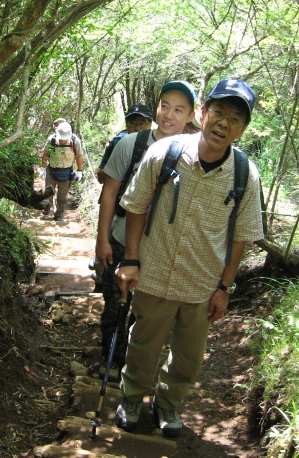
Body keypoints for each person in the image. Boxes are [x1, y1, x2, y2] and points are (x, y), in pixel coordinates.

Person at [113, 78, 265, 438]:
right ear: (203, 113)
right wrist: (130, 260)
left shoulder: (245, 173)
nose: (224, 123)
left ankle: (168, 404)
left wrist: (225, 287)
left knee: (189, 358)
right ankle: (132, 398)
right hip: (155, 271)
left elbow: (242, 236)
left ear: (243, 129)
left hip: (201, 282)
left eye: (235, 119)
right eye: (219, 113)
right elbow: (135, 207)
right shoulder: (165, 153)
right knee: (144, 345)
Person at [95, 82, 197, 381]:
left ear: (191, 115)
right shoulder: (132, 144)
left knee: (148, 313)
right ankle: (111, 361)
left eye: (179, 110)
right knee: (115, 305)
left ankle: (136, 369)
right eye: (165, 106)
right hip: (120, 236)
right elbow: (110, 194)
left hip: (163, 247)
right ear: (157, 107)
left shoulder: (195, 153)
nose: (169, 115)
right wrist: (102, 240)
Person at [96, 104, 153, 185]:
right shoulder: (118, 143)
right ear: (126, 125)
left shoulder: (158, 145)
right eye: (132, 123)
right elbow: (100, 178)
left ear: (150, 124)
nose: (137, 128)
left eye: (141, 123)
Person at [40, 121, 84, 221]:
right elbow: (45, 154)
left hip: (66, 172)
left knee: (62, 196)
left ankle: (59, 215)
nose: (63, 140)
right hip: (51, 170)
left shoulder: (75, 141)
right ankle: (46, 208)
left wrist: (79, 171)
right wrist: (43, 168)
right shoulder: (52, 139)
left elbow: (79, 156)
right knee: (48, 192)